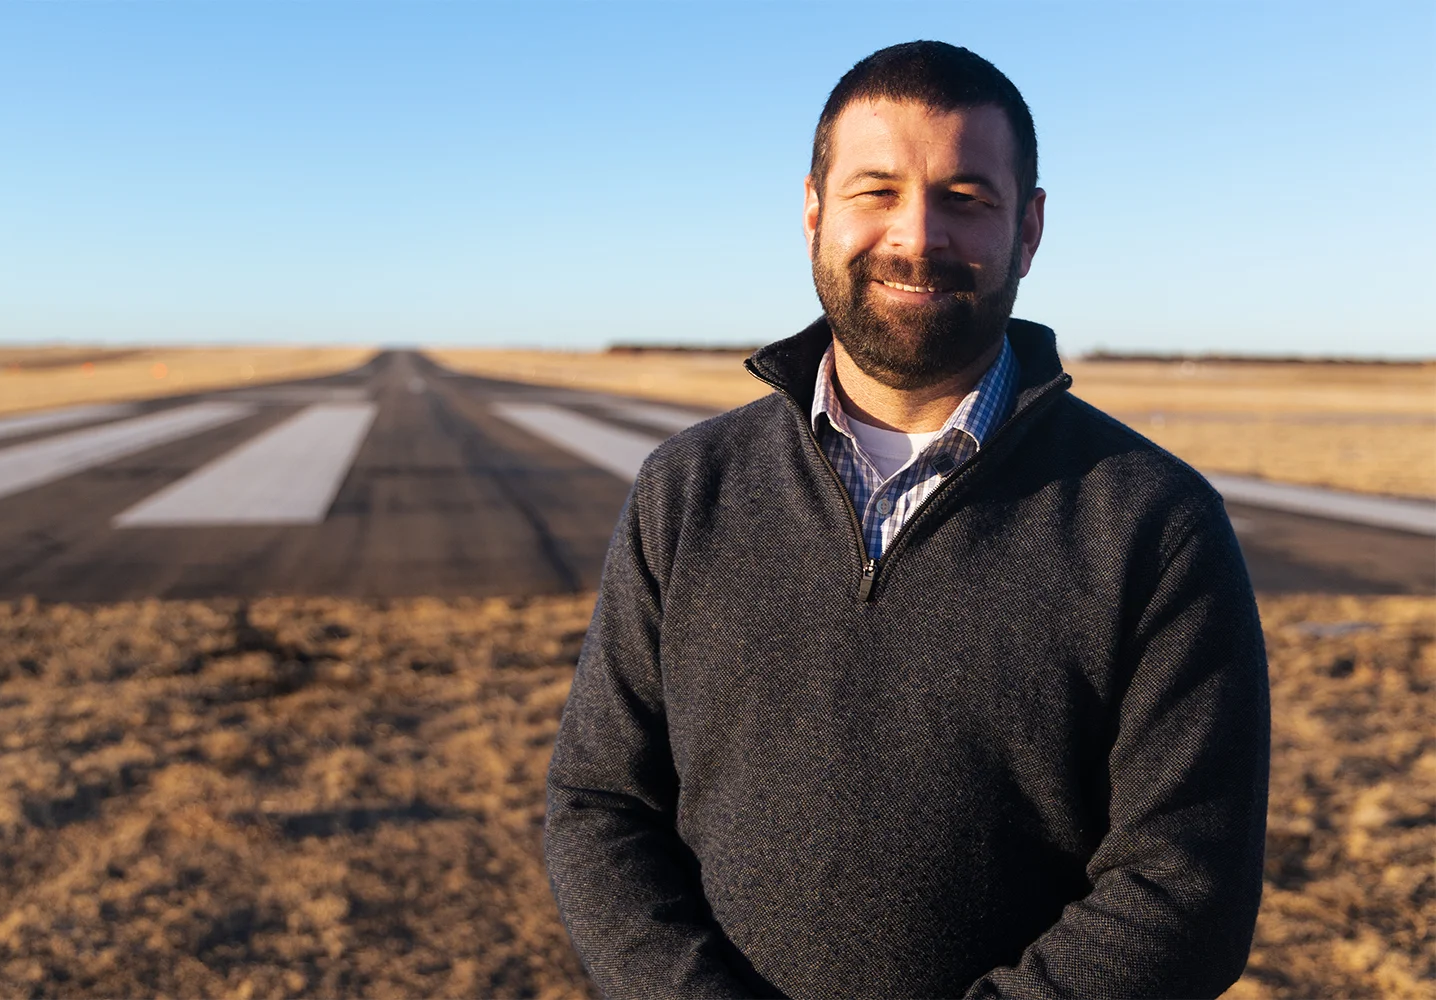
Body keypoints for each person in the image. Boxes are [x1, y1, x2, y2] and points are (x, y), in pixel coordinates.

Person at [544, 40, 1270, 999]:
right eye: (875, 191)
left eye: (966, 198)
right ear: (813, 212)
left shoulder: (1154, 522)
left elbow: (1187, 890)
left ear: (1030, 229)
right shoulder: (687, 490)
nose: (916, 236)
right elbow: (599, 807)